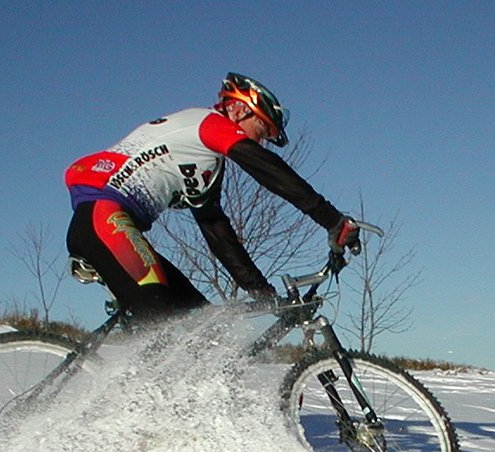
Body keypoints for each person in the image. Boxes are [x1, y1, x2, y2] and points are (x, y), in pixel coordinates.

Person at [64, 72, 360, 322]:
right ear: (239, 109)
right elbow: (268, 170)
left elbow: (216, 230)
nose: (260, 141)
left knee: (201, 322)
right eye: (261, 129)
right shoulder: (208, 122)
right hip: (102, 213)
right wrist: (332, 219)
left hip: (112, 224)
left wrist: (261, 292)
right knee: (159, 320)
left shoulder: (205, 164)